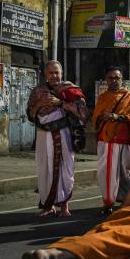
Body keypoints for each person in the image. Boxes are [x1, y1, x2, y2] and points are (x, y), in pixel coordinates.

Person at [26, 61, 87, 217]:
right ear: (46, 75)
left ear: (62, 73)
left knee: (65, 170)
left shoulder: (71, 90)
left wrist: (61, 103)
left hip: (64, 134)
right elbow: (31, 115)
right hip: (43, 135)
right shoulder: (38, 91)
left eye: (57, 72)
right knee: (44, 169)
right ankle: (48, 205)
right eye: (51, 73)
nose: (54, 76)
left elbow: (82, 115)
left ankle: (64, 206)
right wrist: (40, 103)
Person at [92, 67, 130, 215]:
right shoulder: (102, 97)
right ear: (106, 80)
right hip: (105, 140)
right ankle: (107, 202)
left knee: (124, 173)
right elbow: (95, 119)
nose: (113, 80)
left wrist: (117, 118)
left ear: (121, 79)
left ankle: (127, 201)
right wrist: (102, 117)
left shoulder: (128, 96)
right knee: (105, 173)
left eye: (116, 78)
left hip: (122, 141)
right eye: (110, 78)